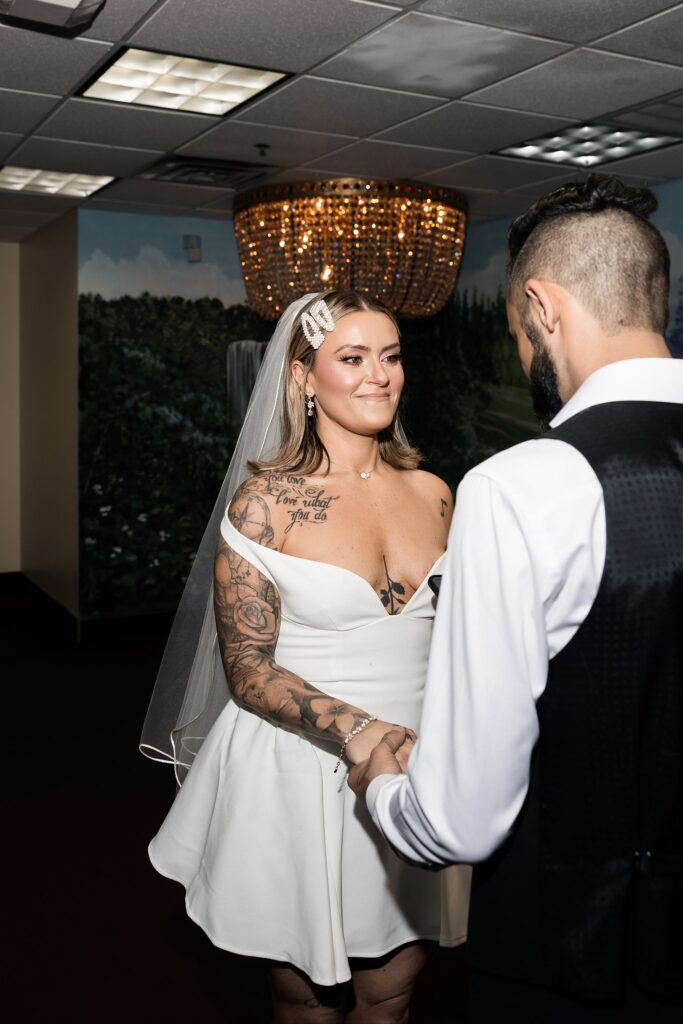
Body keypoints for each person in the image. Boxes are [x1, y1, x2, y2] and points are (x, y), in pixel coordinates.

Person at [349, 175, 683, 1021]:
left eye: (514, 335)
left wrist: (380, 790)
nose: (522, 358)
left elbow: (461, 821)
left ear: (541, 308)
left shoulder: (521, 485)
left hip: (579, 944)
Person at [142, 289, 470, 1023]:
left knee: (391, 993)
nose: (377, 376)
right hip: (299, 767)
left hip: (417, 765)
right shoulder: (264, 504)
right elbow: (249, 669)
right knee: (306, 1000)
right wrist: (362, 733)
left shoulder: (435, 493)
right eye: (350, 358)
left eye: (389, 356)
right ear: (301, 377)